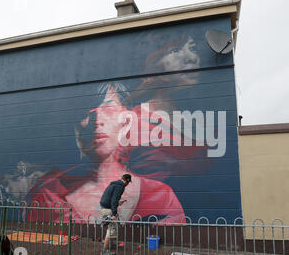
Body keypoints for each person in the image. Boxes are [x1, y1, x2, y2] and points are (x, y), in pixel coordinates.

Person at [28, 82, 187, 223]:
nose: (97, 120)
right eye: (85, 113)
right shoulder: (49, 196)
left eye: (108, 108)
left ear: (126, 120)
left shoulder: (160, 196)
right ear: (76, 129)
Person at [99, 174, 131, 255]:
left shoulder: (114, 184)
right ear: (127, 181)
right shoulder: (120, 186)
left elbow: (110, 199)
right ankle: (104, 251)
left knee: (110, 228)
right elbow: (113, 200)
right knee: (111, 230)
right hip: (109, 210)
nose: (128, 184)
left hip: (104, 208)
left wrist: (118, 203)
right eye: (128, 182)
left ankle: (110, 244)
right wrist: (114, 214)